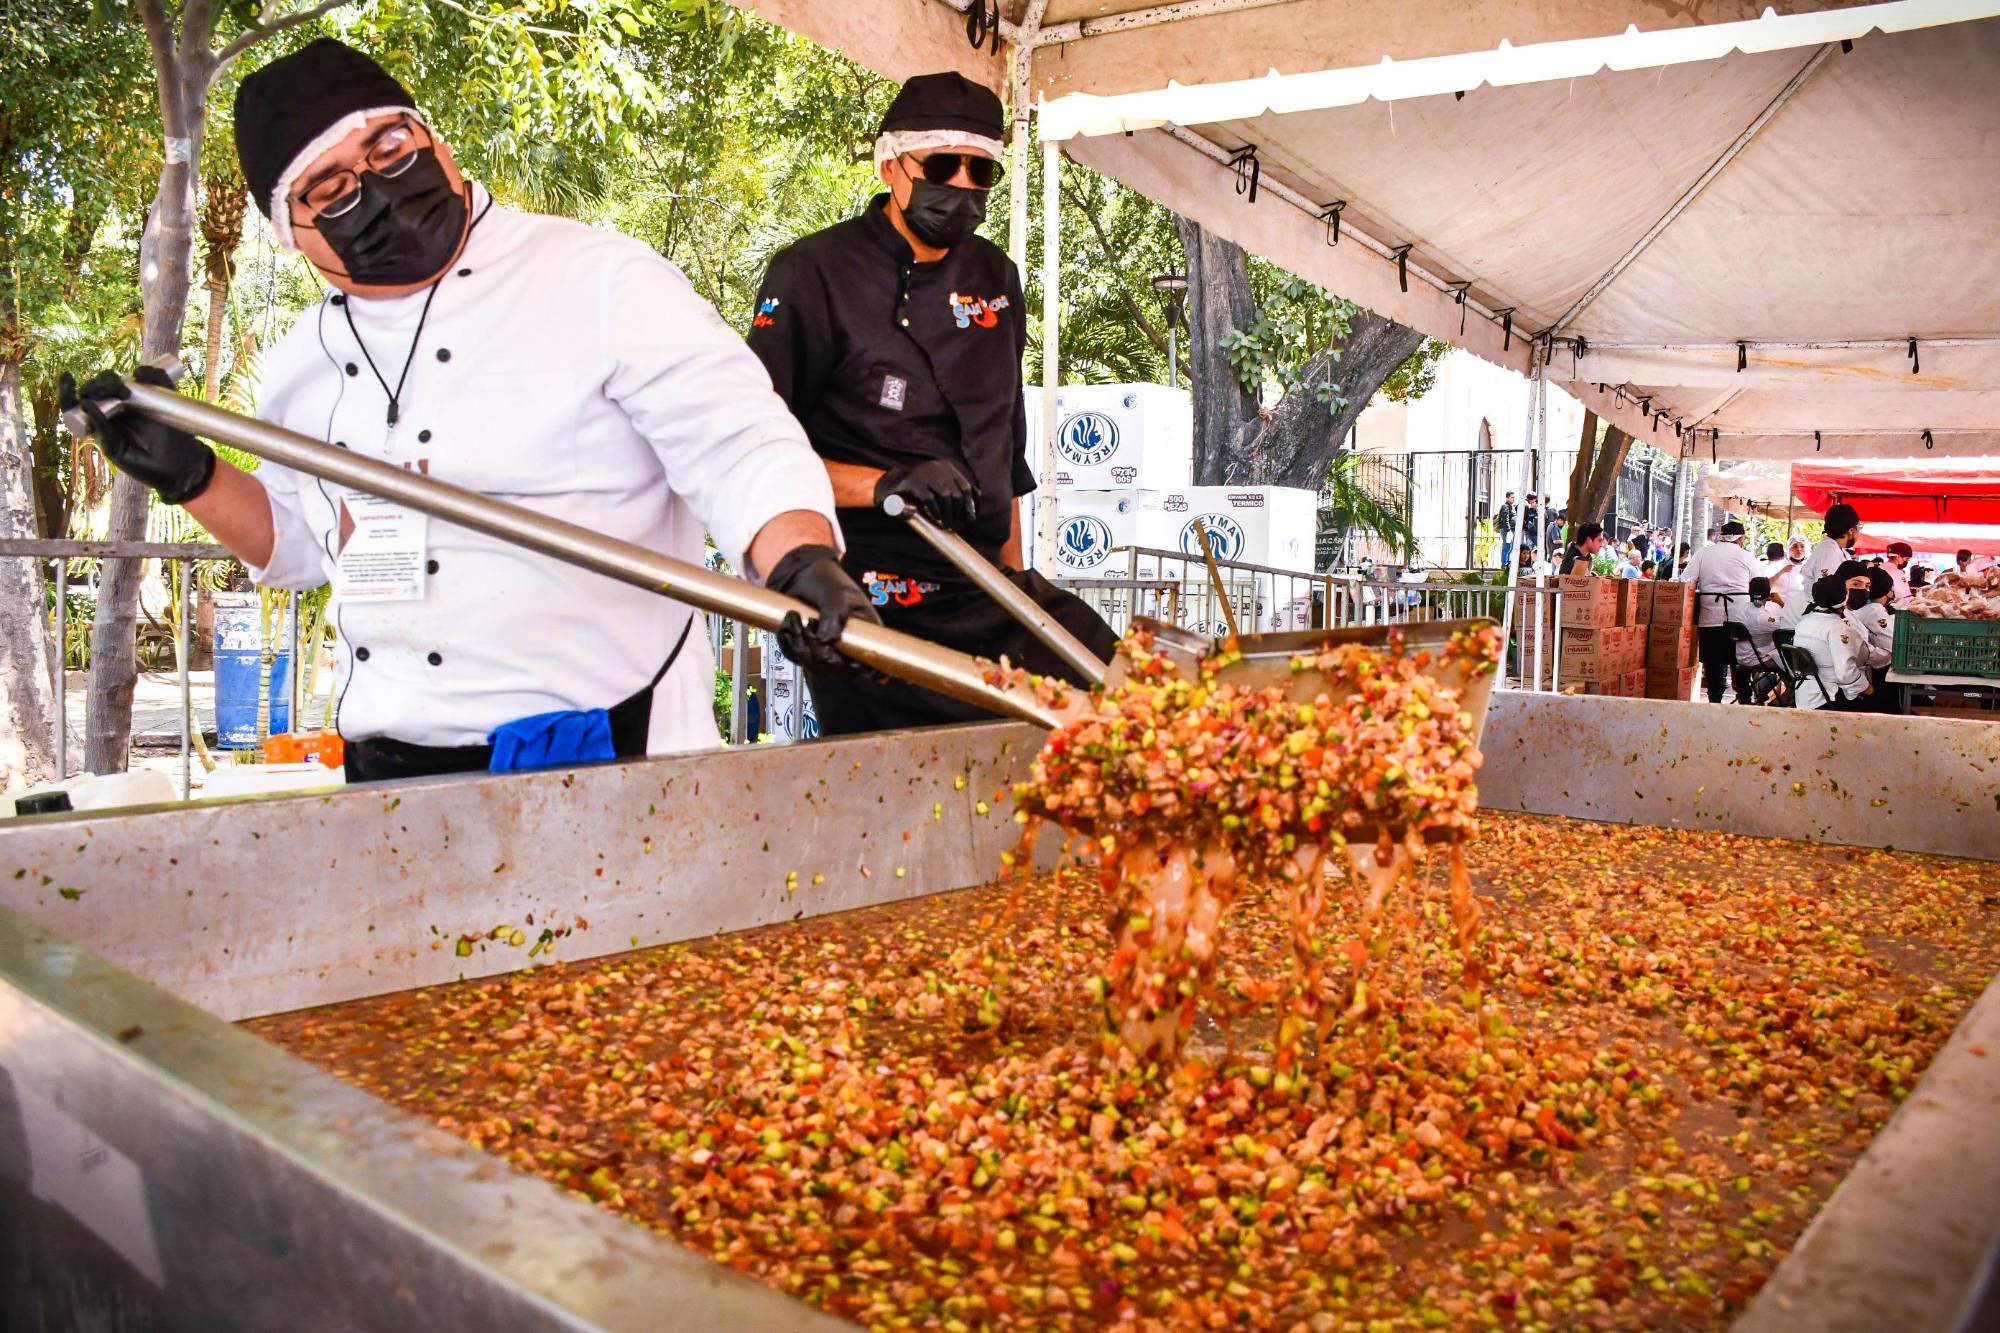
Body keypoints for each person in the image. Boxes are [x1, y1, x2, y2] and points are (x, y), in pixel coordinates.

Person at [60, 40, 871, 782]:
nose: (376, 185)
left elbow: (736, 445)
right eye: (332, 187)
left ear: (435, 141)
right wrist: (193, 475)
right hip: (393, 768)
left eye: (388, 146)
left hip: (603, 752)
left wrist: (802, 563)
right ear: (294, 234)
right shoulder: (303, 362)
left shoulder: (598, 279)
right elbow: (303, 547)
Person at [746, 71, 1117, 737]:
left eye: (983, 172)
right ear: (892, 164)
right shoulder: (812, 273)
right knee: (897, 780)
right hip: (868, 598)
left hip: (984, 589)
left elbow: (1005, 453)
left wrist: (1016, 579)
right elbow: (755, 453)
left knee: (1113, 681)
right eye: (944, 165)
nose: (965, 187)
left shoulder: (996, 277)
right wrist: (884, 484)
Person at [1683, 518, 1762, 703]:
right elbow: (1759, 582)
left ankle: (1715, 701)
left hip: (1710, 614)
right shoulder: (1746, 556)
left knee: (1713, 662)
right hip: (1740, 616)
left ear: (1722, 536)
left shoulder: (1703, 553)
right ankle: (1744, 698)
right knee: (1740, 660)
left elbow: (1687, 580)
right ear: (1741, 538)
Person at [1793, 573, 1876, 712]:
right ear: (1844, 598)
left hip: (1805, 695)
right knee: (1882, 701)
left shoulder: (1803, 623)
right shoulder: (1837, 628)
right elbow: (1845, 673)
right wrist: (1866, 688)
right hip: (1830, 697)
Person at [1780, 503, 1862, 634]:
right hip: (1808, 617)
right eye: (1859, 527)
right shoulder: (1829, 552)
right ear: (1851, 531)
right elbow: (1828, 595)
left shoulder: (1836, 549)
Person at [1732, 575, 1788, 705]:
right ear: (1768, 594)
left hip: (1741, 655)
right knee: (1790, 666)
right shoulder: (1763, 618)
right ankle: (1777, 699)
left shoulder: (1741, 608)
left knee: (1779, 659)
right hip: (1756, 658)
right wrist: (1780, 602)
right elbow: (1785, 624)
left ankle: (1763, 696)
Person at [1849, 565, 1896, 670]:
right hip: (1871, 669)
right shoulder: (1874, 611)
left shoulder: (1860, 608)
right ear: (1888, 591)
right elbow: (1892, 645)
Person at [1769, 536, 1808, 607]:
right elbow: (1767, 584)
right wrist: (1781, 572)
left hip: (1800, 608)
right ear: (1789, 549)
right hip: (1777, 607)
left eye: (1802, 546)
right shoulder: (1779, 565)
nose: (1799, 549)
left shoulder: (1810, 567)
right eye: (1795, 546)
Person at [1496, 491, 1518, 571]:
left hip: (1511, 530)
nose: (1513, 499)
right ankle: (1504, 565)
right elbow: (1505, 519)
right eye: (1512, 497)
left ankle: (1508, 564)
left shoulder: (1511, 506)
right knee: (1507, 547)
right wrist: (1508, 530)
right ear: (1507, 498)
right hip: (1507, 530)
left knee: (1510, 548)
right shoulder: (1505, 506)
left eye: (1514, 497)